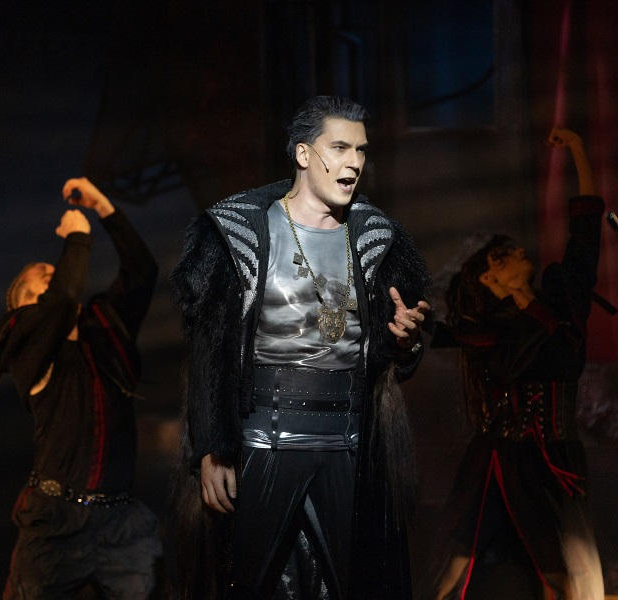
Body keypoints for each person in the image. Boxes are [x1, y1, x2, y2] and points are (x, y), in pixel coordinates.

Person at [170, 95, 432, 599]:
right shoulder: (239, 233)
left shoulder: (378, 239)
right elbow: (209, 350)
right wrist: (212, 449)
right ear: (304, 153)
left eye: (361, 149)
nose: (354, 162)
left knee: (352, 584)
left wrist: (404, 343)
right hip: (262, 437)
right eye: (340, 147)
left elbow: (392, 358)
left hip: (350, 441)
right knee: (248, 582)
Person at [431, 127, 605, 600]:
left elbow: (586, 231)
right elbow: (442, 335)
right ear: (490, 278)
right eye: (503, 256)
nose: (520, 252)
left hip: (557, 459)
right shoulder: (493, 333)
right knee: (455, 565)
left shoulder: (561, 299)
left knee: (566, 576)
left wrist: (578, 149)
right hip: (502, 458)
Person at [0, 177, 164, 599]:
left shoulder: (102, 330)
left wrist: (103, 207)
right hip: (57, 522)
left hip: (120, 522)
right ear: (24, 308)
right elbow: (63, 298)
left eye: (53, 274)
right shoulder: (24, 346)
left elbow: (143, 271)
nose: (52, 278)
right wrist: (78, 237)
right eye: (40, 283)